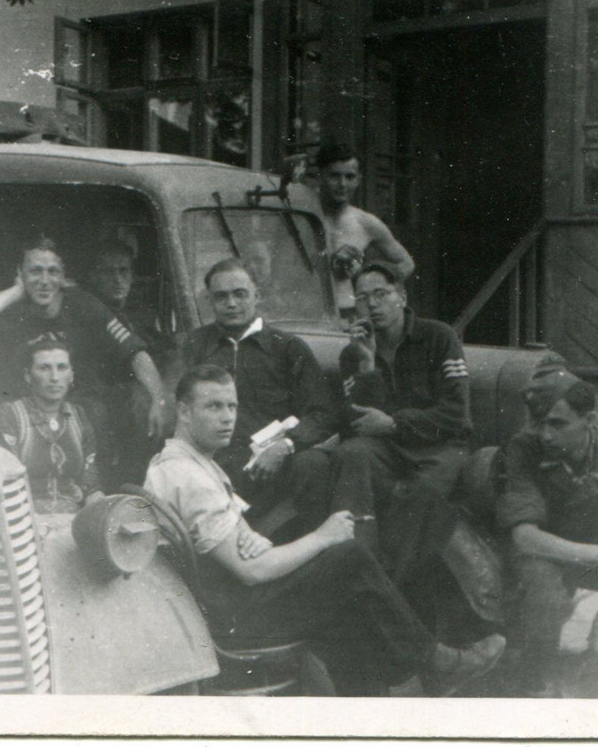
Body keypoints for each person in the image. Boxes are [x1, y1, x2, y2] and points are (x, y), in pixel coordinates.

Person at [144, 364, 506, 696]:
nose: (227, 419)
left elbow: (227, 539)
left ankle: (376, 700)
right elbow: (251, 570)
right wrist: (323, 536)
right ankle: (435, 663)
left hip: (223, 603)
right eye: (213, 407)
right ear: (184, 412)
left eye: (232, 407)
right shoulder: (191, 478)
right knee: (347, 559)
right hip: (235, 617)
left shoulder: (177, 464)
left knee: (348, 598)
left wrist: (249, 536)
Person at [321, 262, 494, 638]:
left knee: (422, 493)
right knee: (351, 454)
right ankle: (354, 569)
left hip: (440, 447)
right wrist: (366, 365)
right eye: (363, 298)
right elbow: (359, 420)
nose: (372, 306)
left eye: (380, 294)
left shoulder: (438, 337)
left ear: (401, 295)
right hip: (386, 448)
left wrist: (396, 423)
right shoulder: (354, 352)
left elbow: (455, 414)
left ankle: (387, 592)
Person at [494, 363, 598, 695]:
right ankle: (535, 686)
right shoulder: (524, 449)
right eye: (539, 424)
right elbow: (525, 537)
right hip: (548, 557)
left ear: (589, 421)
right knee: (542, 600)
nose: (546, 435)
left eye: (558, 424)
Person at [179, 257, 336, 531]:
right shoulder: (196, 345)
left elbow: (322, 413)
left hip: (273, 463)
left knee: (313, 464)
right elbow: (179, 407)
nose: (231, 304)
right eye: (221, 297)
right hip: (215, 461)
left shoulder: (287, 348)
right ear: (211, 302)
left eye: (240, 294)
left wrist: (285, 446)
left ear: (257, 295)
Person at [0, 237, 167, 443]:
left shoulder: (84, 305)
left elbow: (136, 353)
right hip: (27, 414)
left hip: (82, 412)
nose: (44, 281)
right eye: (35, 271)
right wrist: (15, 291)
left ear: (63, 276)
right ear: (21, 273)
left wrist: (159, 399)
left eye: (52, 272)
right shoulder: (11, 310)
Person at [85, 240, 171, 486]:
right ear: (93, 276)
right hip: (104, 404)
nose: (117, 279)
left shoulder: (136, 315)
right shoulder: (92, 310)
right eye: (108, 272)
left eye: (124, 271)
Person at [0, 339, 103, 514]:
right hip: (25, 518)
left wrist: (96, 503)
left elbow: (90, 480)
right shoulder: (11, 415)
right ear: (28, 375)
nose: (54, 377)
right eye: (44, 368)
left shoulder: (78, 416)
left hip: (73, 518)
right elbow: (5, 480)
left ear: (71, 375)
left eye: (62, 367)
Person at [311, 143, 415, 325]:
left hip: (351, 315)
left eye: (349, 177)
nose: (342, 184)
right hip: (309, 313)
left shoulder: (366, 223)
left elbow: (406, 263)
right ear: (320, 175)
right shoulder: (303, 215)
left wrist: (368, 281)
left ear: (359, 179)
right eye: (335, 175)